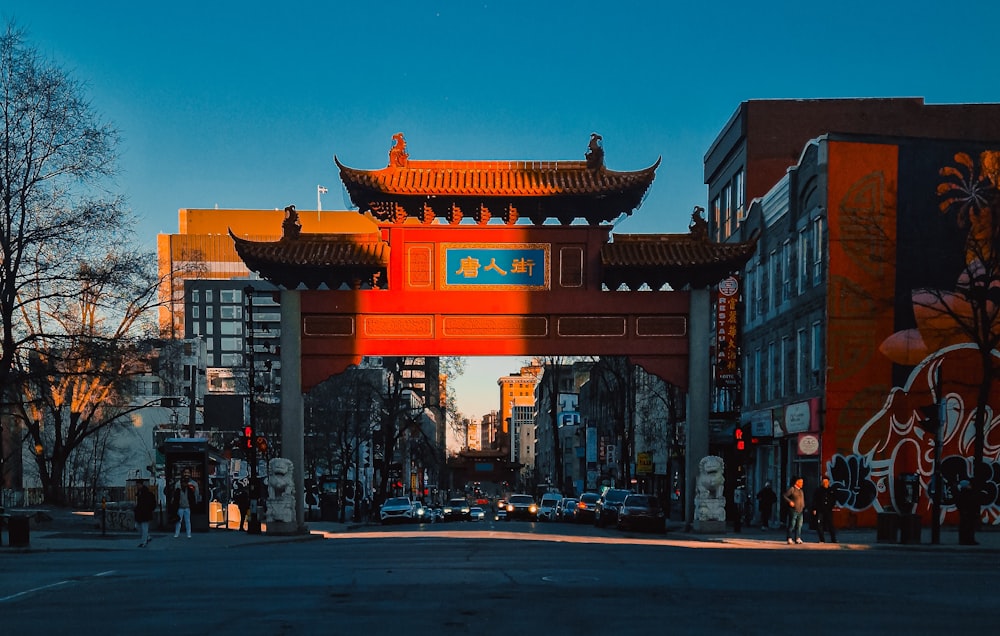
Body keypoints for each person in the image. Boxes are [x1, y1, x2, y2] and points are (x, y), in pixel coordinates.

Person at [172, 470, 200, 538]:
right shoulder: (180, 490)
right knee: (180, 521)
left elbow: (194, 497)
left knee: (186, 521)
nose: (184, 484)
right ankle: (179, 533)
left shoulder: (187, 490)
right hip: (181, 507)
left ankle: (187, 533)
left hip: (186, 507)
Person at [811, 477, 838, 543]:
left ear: (828, 482)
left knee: (830, 524)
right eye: (823, 482)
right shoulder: (818, 490)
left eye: (826, 482)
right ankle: (822, 539)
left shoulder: (831, 490)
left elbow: (834, 499)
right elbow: (815, 500)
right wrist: (814, 508)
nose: (825, 483)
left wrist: (832, 506)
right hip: (820, 510)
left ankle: (833, 539)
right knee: (820, 525)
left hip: (828, 510)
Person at [955, 480, 980, 546]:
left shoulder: (963, 494)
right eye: (968, 485)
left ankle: (967, 540)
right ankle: (967, 540)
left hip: (968, 513)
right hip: (968, 513)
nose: (970, 486)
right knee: (968, 527)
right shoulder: (967, 494)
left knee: (969, 527)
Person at [783, 477, 806, 545]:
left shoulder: (801, 491)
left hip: (800, 510)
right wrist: (790, 502)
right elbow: (784, 496)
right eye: (800, 482)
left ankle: (797, 538)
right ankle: (789, 538)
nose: (802, 484)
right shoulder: (792, 489)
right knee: (792, 524)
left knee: (799, 525)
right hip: (793, 510)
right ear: (797, 482)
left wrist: (803, 505)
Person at [134, 481, 156, 547]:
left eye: (138, 485)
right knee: (139, 526)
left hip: (145, 513)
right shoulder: (140, 493)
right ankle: (147, 537)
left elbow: (151, 504)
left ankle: (144, 542)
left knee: (144, 527)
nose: (137, 487)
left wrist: (149, 509)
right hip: (141, 513)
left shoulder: (146, 494)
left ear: (141, 485)